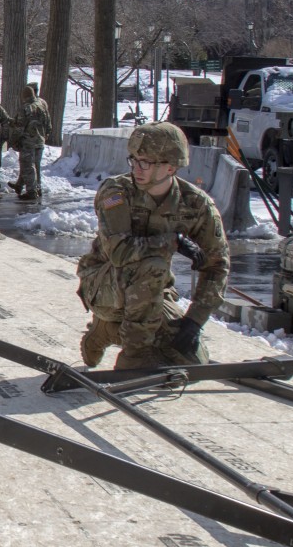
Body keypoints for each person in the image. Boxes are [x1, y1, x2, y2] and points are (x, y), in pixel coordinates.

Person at [76, 122, 229, 369]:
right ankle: (133, 357)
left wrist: (194, 322)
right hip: (103, 285)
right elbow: (119, 251)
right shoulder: (116, 193)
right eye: (134, 160)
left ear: (171, 166)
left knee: (189, 357)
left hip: (151, 290)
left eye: (145, 162)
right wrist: (172, 242)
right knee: (153, 266)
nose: (137, 168)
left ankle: (106, 331)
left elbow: (217, 265)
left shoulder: (196, 205)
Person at [10, 84, 52, 201]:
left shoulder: (25, 108)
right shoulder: (42, 105)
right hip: (40, 140)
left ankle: (31, 191)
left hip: (28, 142)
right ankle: (37, 188)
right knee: (36, 166)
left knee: (28, 166)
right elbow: (48, 123)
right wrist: (45, 135)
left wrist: (13, 140)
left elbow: (19, 127)